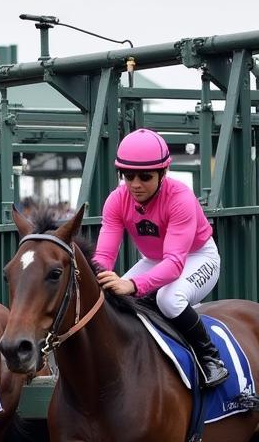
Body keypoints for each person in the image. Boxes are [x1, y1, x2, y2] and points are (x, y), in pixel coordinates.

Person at [95, 128, 227, 388]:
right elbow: (103, 256)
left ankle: (211, 358)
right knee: (111, 299)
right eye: (128, 175)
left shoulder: (181, 199)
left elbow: (175, 264)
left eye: (145, 177)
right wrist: (97, 279)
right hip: (156, 259)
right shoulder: (116, 200)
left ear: (163, 173)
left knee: (169, 299)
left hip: (198, 257)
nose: (135, 184)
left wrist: (133, 285)